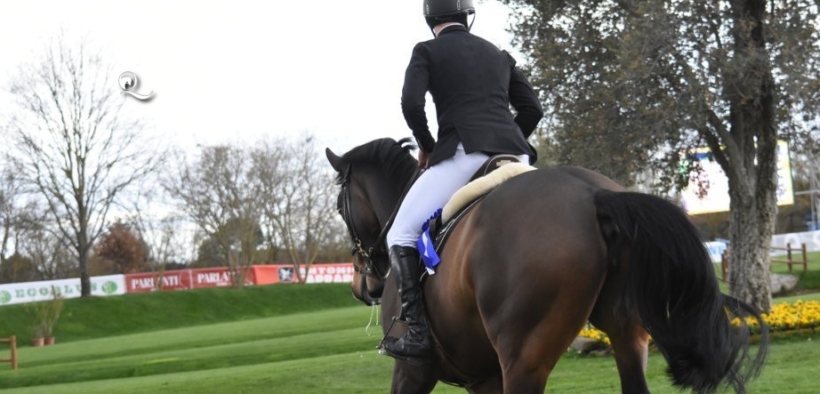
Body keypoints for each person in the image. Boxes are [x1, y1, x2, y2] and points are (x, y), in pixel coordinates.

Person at [381, 0, 544, 362]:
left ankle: (418, 334)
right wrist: (508, 139)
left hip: (462, 155)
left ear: (430, 19)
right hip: (514, 156)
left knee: (401, 234)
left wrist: (427, 146)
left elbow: (411, 104)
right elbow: (533, 109)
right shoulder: (498, 53)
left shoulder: (426, 50)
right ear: (467, 16)